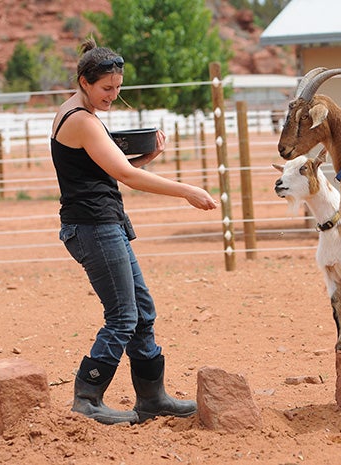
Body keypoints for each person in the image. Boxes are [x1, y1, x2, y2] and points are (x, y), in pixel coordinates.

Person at [50, 37, 218, 425]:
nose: (113, 95)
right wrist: (187, 191)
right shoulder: (81, 121)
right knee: (123, 315)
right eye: (107, 89)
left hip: (103, 222)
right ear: (84, 82)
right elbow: (125, 174)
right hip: (93, 226)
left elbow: (107, 169)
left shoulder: (80, 112)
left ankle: (152, 398)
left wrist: (148, 157)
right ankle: (87, 398)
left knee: (142, 312)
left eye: (118, 88)